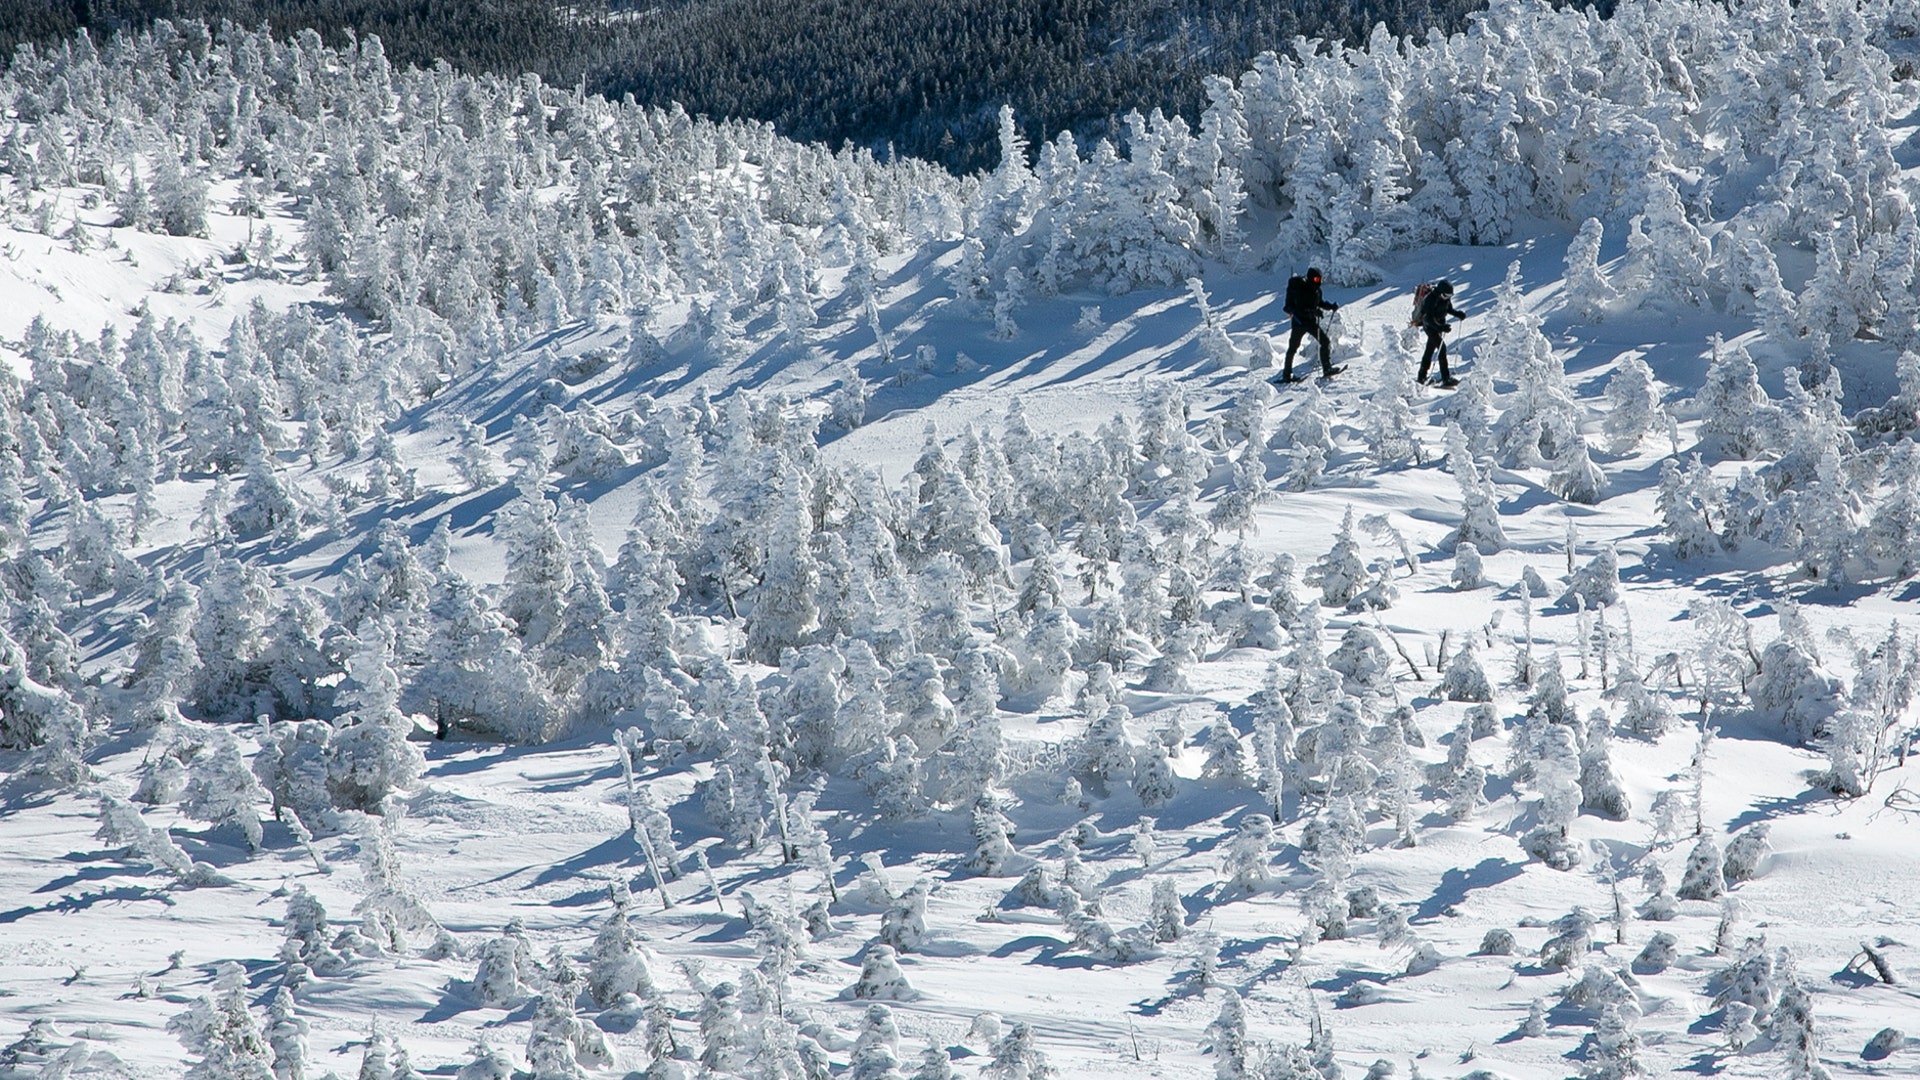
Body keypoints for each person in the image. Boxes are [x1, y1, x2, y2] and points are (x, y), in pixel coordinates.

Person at [1278, 267, 1339, 382]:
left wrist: (1331, 306)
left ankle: (1327, 368)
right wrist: (1314, 312)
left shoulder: (1317, 291)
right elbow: (1300, 310)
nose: (1319, 281)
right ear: (1311, 278)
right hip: (1299, 323)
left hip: (1310, 323)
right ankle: (1287, 375)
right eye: (1316, 279)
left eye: (1320, 279)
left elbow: (1319, 303)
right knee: (1293, 348)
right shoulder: (1302, 290)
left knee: (1325, 341)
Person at [1417, 279, 1466, 387]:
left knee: (1429, 350)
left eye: (1450, 296)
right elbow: (1428, 318)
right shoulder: (1430, 299)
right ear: (1440, 292)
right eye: (1446, 295)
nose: (1448, 298)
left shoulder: (1445, 299)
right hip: (1430, 327)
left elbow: (1449, 309)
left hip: (1439, 325)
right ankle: (1445, 378)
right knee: (1441, 349)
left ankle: (1421, 376)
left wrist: (1458, 314)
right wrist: (1441, 327)